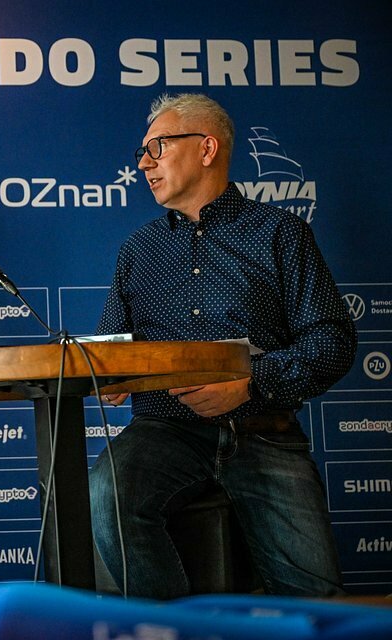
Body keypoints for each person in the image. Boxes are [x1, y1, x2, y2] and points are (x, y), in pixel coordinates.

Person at [90, 94, 355, 599]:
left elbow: (332, 341)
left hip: (264, 429)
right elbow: (112, 348)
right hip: (165, 432)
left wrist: (250, 384)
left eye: (157, 147)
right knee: (107, 491)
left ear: (207, 148)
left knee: (317, 603)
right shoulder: (137, 251)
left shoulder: (281, 233)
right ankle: (174, 631)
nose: (144, 163)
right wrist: (108, 376)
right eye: (143, 152)